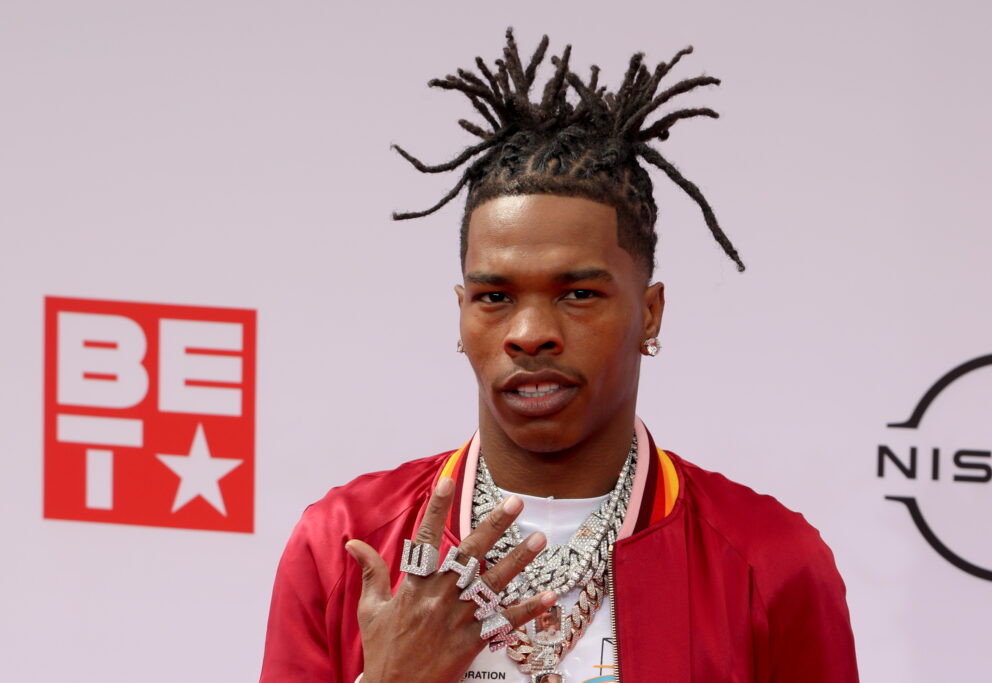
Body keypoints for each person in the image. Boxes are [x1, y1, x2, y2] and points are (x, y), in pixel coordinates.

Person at [260, 29, 859, 683]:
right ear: (461, 313)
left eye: (578, 292)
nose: (530, 332)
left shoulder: (768, 561)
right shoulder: (344, 544)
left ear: (649, 312)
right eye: (494, 295)